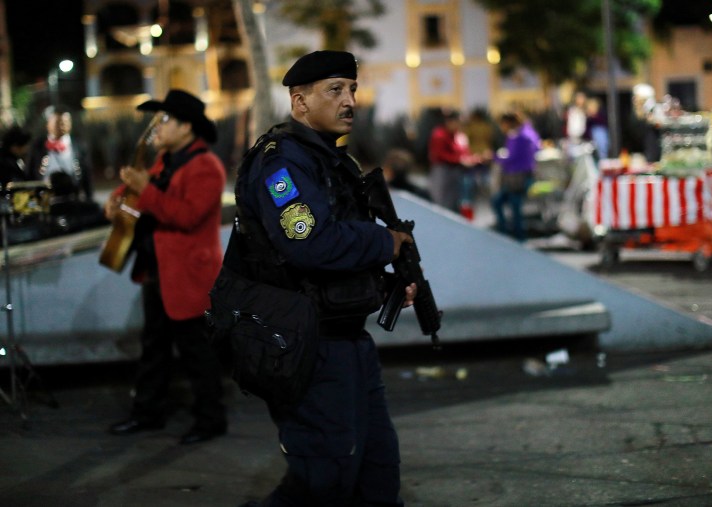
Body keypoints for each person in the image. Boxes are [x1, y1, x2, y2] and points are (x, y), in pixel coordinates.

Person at [234, 50, 417, 507]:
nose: (349, 101)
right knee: (324, 476)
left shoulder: (335, 163)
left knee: (377, 467)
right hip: (308, 345)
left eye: (351, 89)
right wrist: (386, 243)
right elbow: (309, 241)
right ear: (300, 103)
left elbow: (340, 250)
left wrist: (387, 285)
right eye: (334, 90)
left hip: (348, 340)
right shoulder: (281, 165)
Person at [106, 89, 228, 445]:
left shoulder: (206, 167)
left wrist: (143, 190)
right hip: (156, 270)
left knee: (196, 352)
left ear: (187, 126)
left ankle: (210, 419)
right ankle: (147, 413)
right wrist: (114, 203)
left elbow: (186, 216)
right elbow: (130, 192)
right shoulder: (164, 161)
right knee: (154, 348)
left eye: (164, 120)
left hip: (188, 275)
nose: (156, 127)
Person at [491, 111, 542, 242]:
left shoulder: (517, 136)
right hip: (525, 175)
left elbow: (511, 157)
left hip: (516, 178)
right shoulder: (529, 133)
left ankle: (512, 235)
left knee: (511, 206)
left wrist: (494, 157)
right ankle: (515, 235)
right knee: (511, 206)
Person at [27, 105, 94, 203]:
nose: (62, 125)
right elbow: (30, 173)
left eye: (66, 122)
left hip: (72, 197)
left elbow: (87, 174)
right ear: (48, 124)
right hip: (45, 198)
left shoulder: (78, 145)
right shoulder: (37, 146)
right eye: (58, 122)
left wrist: (89, 199)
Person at [427, 108, 477, 215]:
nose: (459, 126)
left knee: (455, 202)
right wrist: (459, 159)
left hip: (457, 171)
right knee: (442, 202)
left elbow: (465, 151)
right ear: (449, 122)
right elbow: (438, 154)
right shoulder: (439, 134)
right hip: (442, 171)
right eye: (457, 123)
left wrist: (471, 158)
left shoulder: (459, 136)